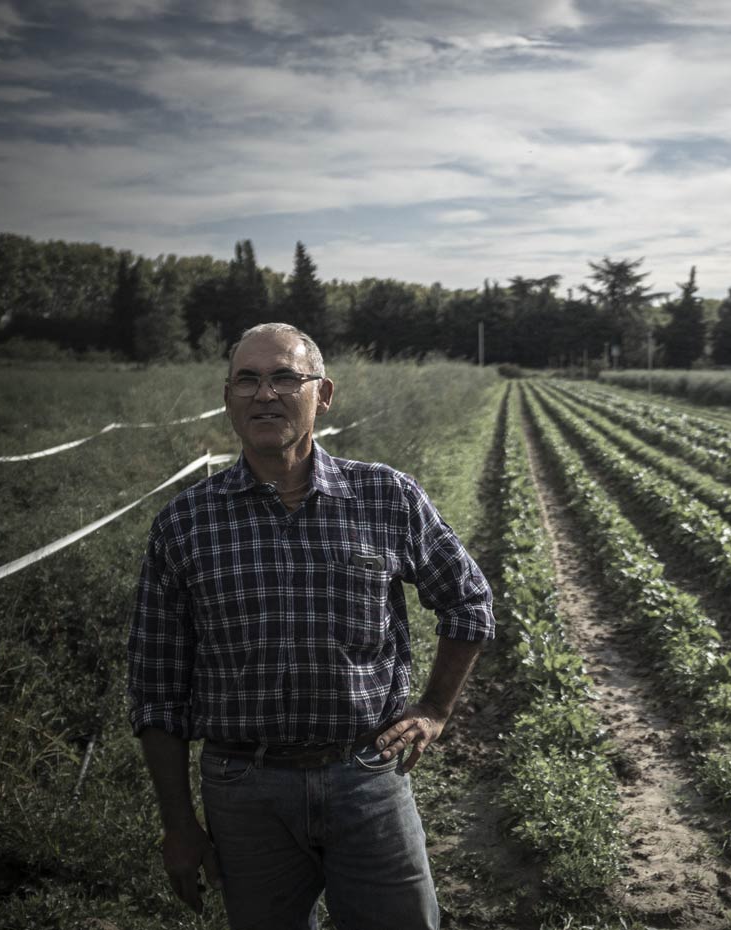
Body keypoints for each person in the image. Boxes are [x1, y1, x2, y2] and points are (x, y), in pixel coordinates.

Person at [128, 322, 493, 929]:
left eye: (283, 378)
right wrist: (179, 825)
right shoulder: (185, 524)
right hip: (244, 789)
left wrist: (434, 707)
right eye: (247, 379)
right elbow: (155, 688)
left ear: (322, 394)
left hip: (367, 776)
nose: (264, 395)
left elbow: (469, 602)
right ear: (227, 397)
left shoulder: (385, 497)